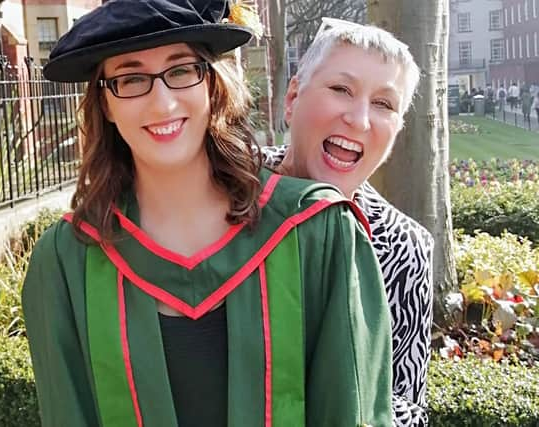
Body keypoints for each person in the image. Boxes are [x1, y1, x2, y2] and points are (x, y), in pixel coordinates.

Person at [22, 1, 393, 426]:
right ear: (105, 104)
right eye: (130, 78)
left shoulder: (317, 231)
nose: (162, 104)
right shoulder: (67, 263)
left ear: (211, 85)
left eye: (180, 70)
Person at [260, 18, 433, 427]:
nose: (360, 120)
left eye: (384, 104)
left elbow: (407, 402)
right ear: (292, 97)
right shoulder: (224, 191)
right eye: (341, 89)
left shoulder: (405, 248)